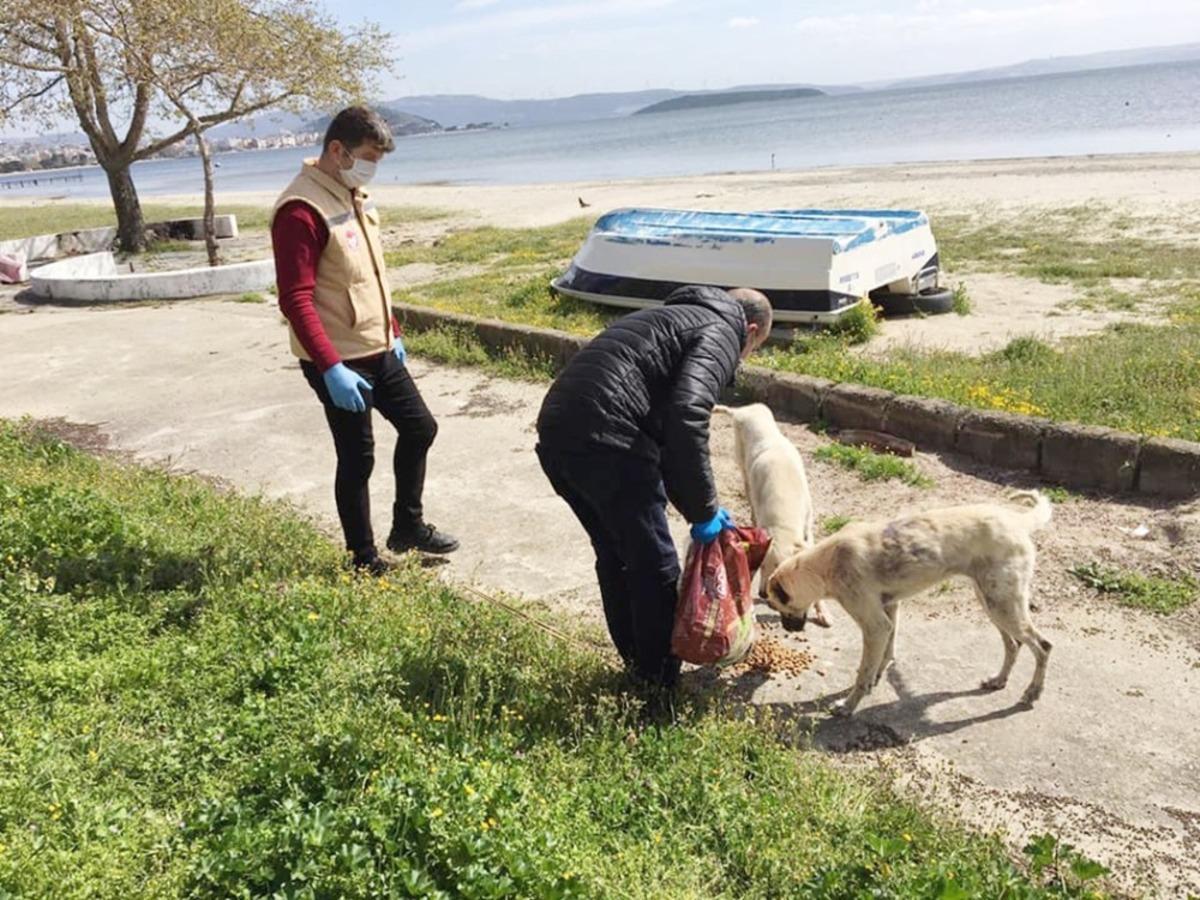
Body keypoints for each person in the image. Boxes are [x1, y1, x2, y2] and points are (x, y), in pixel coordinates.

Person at [535, 285, 774, 688]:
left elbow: (665, 439)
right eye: (754, 348)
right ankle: (658, 686)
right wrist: (703, 513)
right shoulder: (720, 331)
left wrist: (700, 507)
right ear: (750, 330)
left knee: (615, 552)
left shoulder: (673, 319)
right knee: (655, 565)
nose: (745, 358)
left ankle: (638, 667)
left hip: (558, 432)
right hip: (607, 436)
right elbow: (687, 416)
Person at [271, 106, 458, 575]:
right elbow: (295, 298)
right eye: (368, 156)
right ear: (337, 150)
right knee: (357, 457)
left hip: (378, 347)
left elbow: (368, 274)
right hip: (339, 359)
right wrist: (330, 367)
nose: (373, 166)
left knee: (421, 428)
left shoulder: (353, 193)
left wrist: (392, 330)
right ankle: (363, 558)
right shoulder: (301, 209)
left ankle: (407, 527)